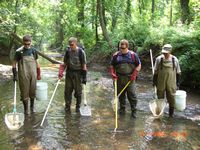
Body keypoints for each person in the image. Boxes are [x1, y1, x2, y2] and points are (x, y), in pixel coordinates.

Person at [110, 39, 141, 118]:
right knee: (120, 95)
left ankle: (134, 111)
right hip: (119, 78)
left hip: (130, 78)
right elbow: (112, 66)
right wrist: (112, 73)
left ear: (127, 47)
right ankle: (122, 110)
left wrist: (135, 73)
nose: (121, 49)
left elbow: (139, 65)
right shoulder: (116, 55)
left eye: (123, 48)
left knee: (132, 95)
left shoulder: (133, 55)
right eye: (120, 48)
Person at [12, 35, 41, 115]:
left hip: (33, 74)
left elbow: (37, 62)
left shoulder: (33, 51)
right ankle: (26, 110)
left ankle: (32, 107)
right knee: (24, 92)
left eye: (28, 44)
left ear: (30, 42)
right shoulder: (19, 52)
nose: (27, 46)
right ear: (23, 43)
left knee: (32, 91)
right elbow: (14, 63)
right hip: (23, 74)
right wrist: (14, 74)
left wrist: (38, 73)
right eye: (25, 44)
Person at [58, 37, 87, 113]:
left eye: (72, 45)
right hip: (69, 73)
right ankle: (67, 107)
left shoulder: (81, 52)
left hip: (78, 73)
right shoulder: (67, 52)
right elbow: (64, 64)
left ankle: (77, 107)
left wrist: (84, 77)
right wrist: (60, 72)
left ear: (75, 43)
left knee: (78, 92)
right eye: (70, 45)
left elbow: (84, 65)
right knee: (67, 91)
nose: (71, 46)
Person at [153, 44, 181, 117]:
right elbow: (155, 72)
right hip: (160, 82)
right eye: (163, 53)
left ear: (170, 51)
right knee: (160, 99)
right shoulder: (159, 59)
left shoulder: (175, 59)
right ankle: (160, 114)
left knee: (171, 99)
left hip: (171, 83)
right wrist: (154, 81)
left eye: (166, 53)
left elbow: (178, 72)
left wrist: (178, 83)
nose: (164, 54)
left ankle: (170, 116)